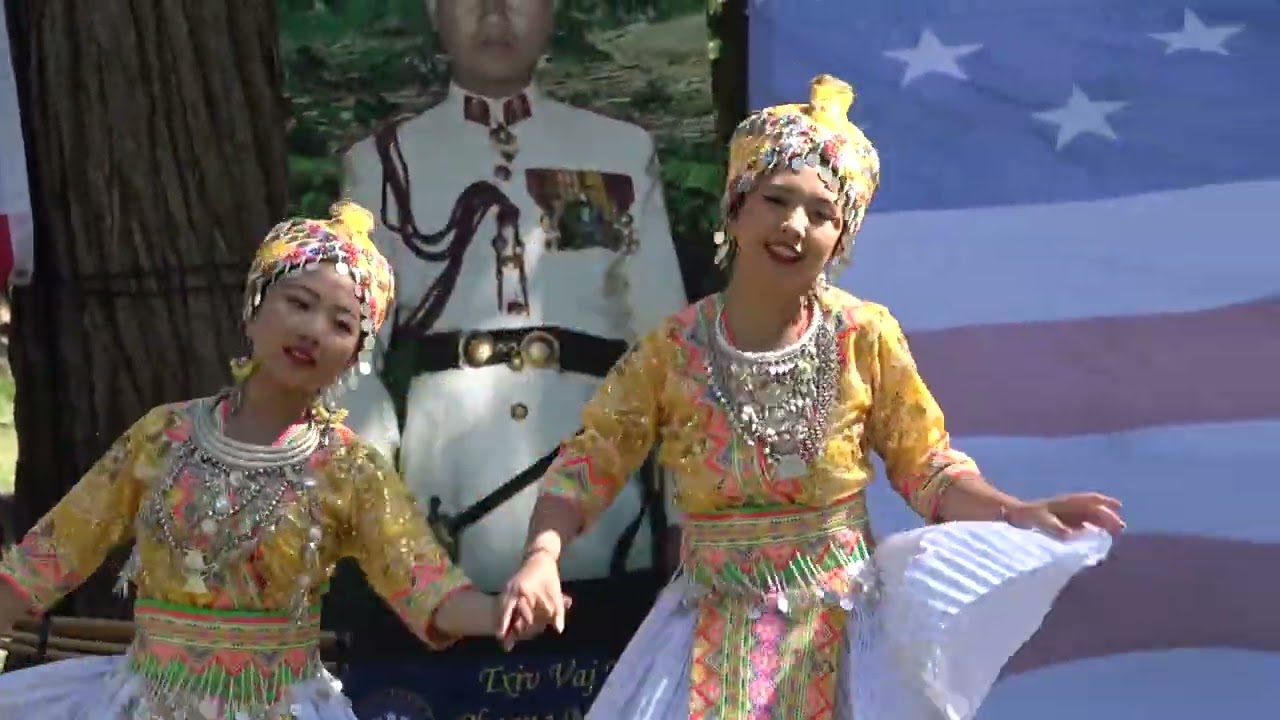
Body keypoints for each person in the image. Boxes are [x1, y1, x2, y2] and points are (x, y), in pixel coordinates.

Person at [498, 74, 1127, 719]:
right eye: (776, 199)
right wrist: (543, 555)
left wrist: (1012, 511)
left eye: (823, 214)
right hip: (709, 635)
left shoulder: (863, 335)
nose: (795, 226)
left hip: (844, 635)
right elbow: (589, 464)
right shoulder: (673, 349)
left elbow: (927, 467)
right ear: (736, 210)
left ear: (841, 238)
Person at [0, 202, 544, 719]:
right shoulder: (162, 436)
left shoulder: (349, 471)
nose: (311, 331)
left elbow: (428, 589)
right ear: (254, 309)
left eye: (341, 323)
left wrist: (503, 612)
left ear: (354, 357)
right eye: (299, 303)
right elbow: (50, 556)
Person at [337, 0, 685, 653]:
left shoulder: (616, 150)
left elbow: (665, 350)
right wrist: (381, 513)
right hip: (447, 501)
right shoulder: (386, 163)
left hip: (601, 506)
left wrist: (681, 510)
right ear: (435, 13)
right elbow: (351, 358)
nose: (494, 13)